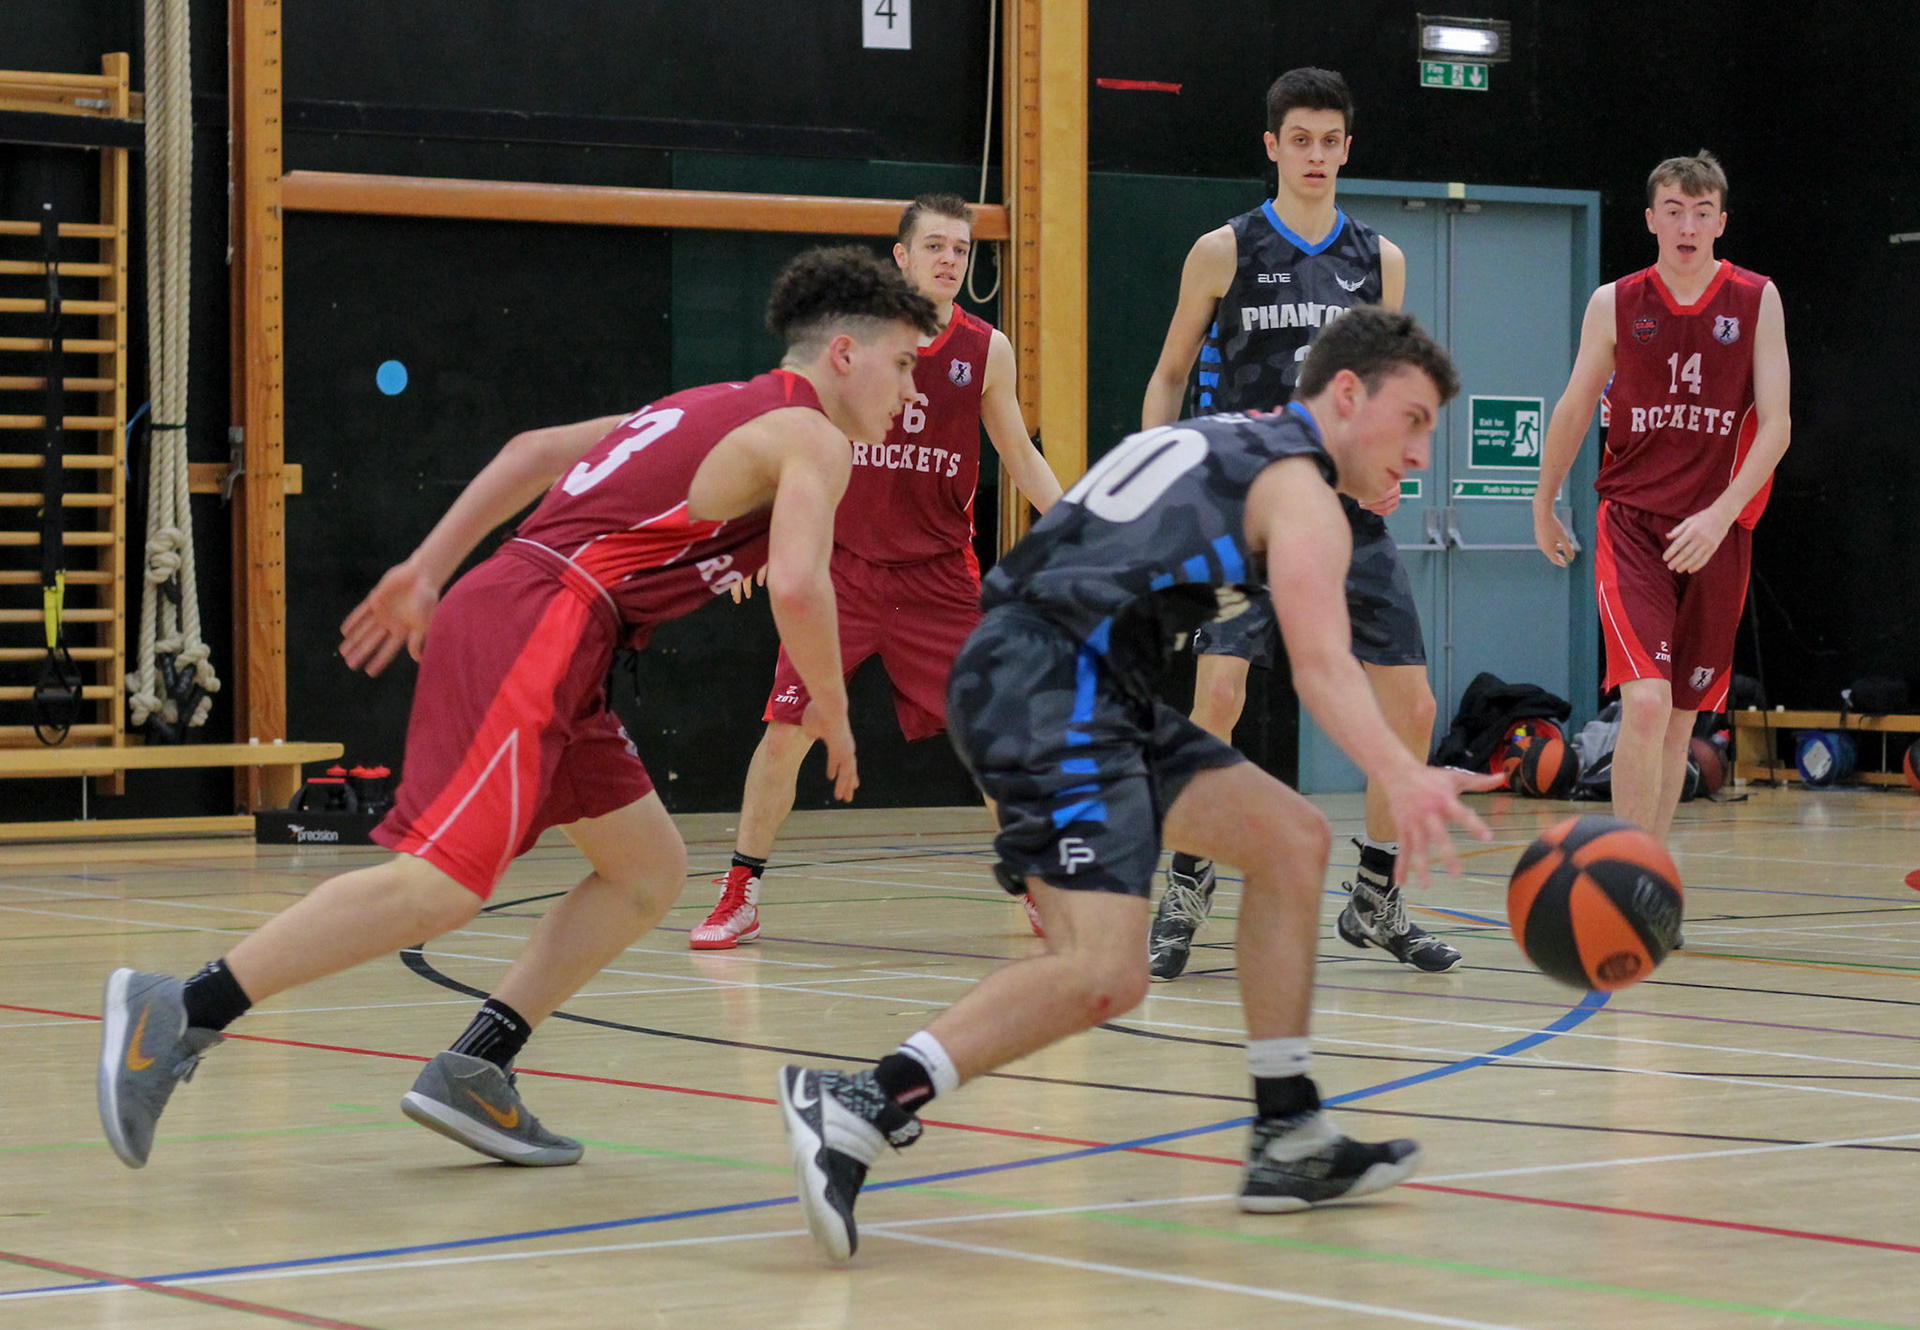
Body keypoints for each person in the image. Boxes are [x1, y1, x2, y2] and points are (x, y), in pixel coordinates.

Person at [95, 247, 939, 1170]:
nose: (911, 392)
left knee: (647, 871)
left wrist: (427, 567)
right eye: (903, 364)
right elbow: (804, 587)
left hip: (555, 628)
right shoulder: (813, 436)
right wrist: (831, 709)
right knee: (438, 887)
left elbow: (531, 452)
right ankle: (181, 1008)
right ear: (845, 353)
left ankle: (477, 1066)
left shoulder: (702, 405)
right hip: (546, 623)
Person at [776, 306, 1501, 1262]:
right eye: (1412, 421)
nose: (1419, 454)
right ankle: (863, 1102)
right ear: (1346, 394)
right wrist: (1402, 774)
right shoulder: (1300, 490)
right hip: (1049, 683)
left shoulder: (1229, 438)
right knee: (1104, 972)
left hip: (1064, 678)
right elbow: (1326, 666)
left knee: (1292, 840)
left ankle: (1288, 1130)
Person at [1138, 67, 1455, 980]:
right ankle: (1187, 886)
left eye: (1330, 141)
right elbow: (1169, 374)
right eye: (1300, 140)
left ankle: (1377, 898)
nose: (1316, 155)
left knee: (1413, 708)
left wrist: (1392, 463)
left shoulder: (1380, 259)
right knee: (1218, 699)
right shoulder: (1223, 250)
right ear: (1272, 146)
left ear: (1347, 149)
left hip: (1345, 512)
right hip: (1246, 510)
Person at [693, 194, 1063, 950]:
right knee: (786, 732)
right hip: (845, 572)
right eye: (935, 246)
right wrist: (756, 535)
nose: (949, 260)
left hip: (938, 579)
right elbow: (789, 435)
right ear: (901, 256)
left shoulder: (986, 350)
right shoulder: (852, 340)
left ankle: (1037, 885)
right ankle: (740, 893)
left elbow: (1019, 455)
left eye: (960, 249)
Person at [1534, 149, 1789, 847]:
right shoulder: (1615, 303)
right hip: (1634, 525)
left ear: (1721, 223)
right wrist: (1544, 500)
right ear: (1651, 219)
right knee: (1644, 704)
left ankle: (1646, 869)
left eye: (1702, 213)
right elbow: (1575, 406)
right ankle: (1621, 869)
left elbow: (1778, 425)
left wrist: (1720, 513)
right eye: (1674, 211)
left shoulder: (1756, 298)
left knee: (1680, 720)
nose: (1687, 226)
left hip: (1717, 532)